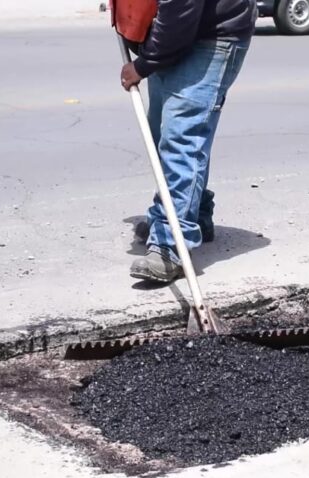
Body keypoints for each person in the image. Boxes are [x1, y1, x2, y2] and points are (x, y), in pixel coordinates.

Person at [120, 0, 257, 283]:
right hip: (180, 32)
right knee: (163, 133)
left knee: (181, 141)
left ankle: (171, 244)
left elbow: (180, 9)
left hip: (209, 37)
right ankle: (192, 215)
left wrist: (144, 64)